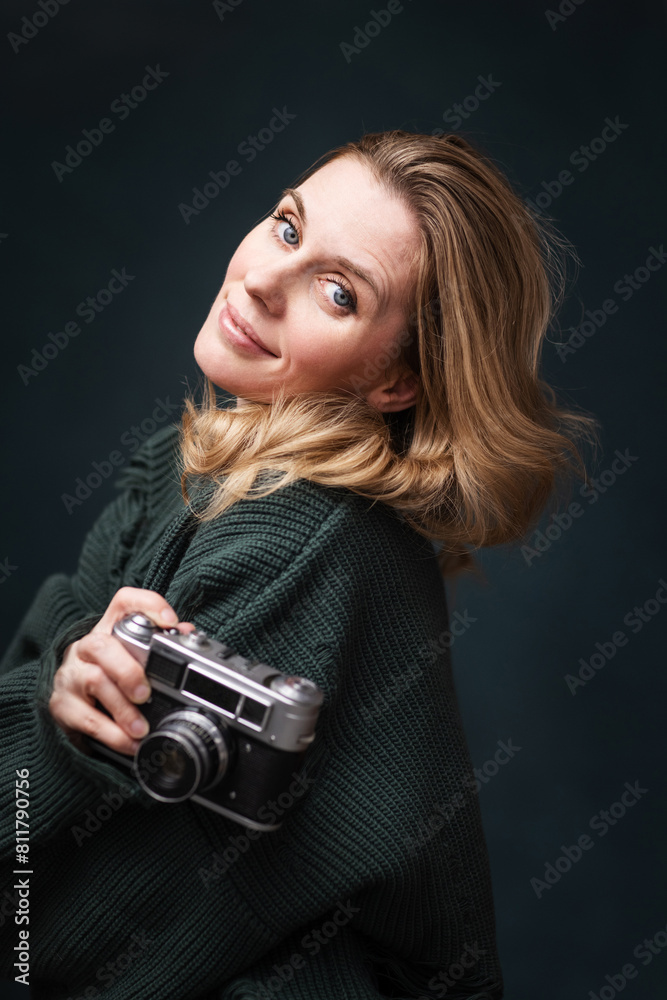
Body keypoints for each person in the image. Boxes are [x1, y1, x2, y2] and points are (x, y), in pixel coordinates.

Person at [0, 130, 598, 999]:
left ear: (395, 382)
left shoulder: (294, 542)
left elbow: (53, 934)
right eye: (287, 226)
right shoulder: (180, 467)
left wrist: (58, 731)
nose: (262, 281)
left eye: (337, 291)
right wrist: (57, 702)